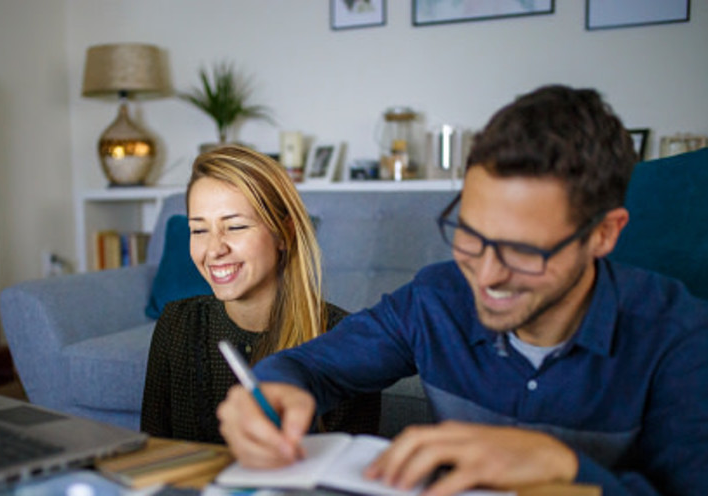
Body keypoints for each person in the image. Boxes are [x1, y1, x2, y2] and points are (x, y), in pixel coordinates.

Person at [217, 86, 708, 496]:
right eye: (470, 235)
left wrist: (559, 463)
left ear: (603, 234)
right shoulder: (436, 298)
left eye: (522, 250)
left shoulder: (680, 336)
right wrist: (275, 387)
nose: (487, 276)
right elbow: (310, 366)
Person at [140, 145, 380, 444]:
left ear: (284, 234)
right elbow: (152, 452)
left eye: (236, 226)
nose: (214, 249)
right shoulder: (175, 323)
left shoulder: (344, 340)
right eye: (199, 230)